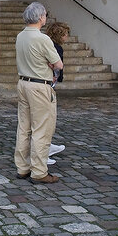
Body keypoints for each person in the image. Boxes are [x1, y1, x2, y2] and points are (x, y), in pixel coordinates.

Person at [12, 2, 63, 184]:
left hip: (23, 82)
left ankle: (23, 167)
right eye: (45, 15)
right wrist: (50, 65)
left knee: (24, 127)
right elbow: (58, 64)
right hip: (40, 85)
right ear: (41, 17)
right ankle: (39, 171)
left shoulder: (20, 36)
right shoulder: (42, 39)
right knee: (42, 128)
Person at [42, 21, 70, 165]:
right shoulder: (56, 48)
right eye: (65, 34)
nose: (67, 37)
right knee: (47, 119)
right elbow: (57, 65)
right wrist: (55, 76)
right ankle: (44, 150)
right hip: (48, 83)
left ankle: (47, 146)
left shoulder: (48, 44)